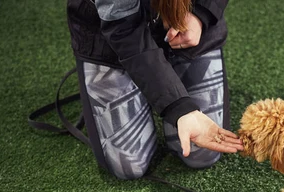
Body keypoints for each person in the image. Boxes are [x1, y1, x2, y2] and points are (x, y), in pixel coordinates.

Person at [66, 0, 243, 179]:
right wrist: (179, 108)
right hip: (113, 38)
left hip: (186, 16)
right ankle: (152, 75)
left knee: (203, 154)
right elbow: (125, 32)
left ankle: (164, 68)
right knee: (128, 165)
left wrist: (200, 14)